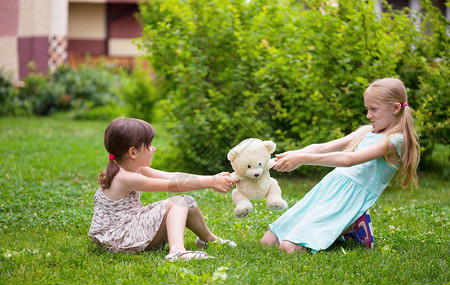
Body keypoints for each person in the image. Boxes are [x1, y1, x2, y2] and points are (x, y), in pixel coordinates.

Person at [260, 77, 420, 254]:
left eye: (374, 109)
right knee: (267, 242)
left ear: (396, 108)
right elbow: (323, 147)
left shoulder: (396, 141)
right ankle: (350, 227)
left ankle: (353, 223)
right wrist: (296, 153)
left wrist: (303, 159)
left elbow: (349, 160)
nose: (368, 115)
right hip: (329, 187)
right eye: (367, 109)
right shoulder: (367, 131)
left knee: (288, 248)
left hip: (349, 198)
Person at [88, 118, 237, 261]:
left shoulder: (136, 169)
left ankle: (208, 240)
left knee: (187, 202)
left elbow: (173, 176)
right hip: (118, 238)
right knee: (178, 202)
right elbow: (173, 185)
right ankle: (177, 252)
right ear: (133, 152)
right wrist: (211, 182)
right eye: (149, 145)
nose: (154, 148)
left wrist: (213, 178)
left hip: (128, 230)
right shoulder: (124, 177)